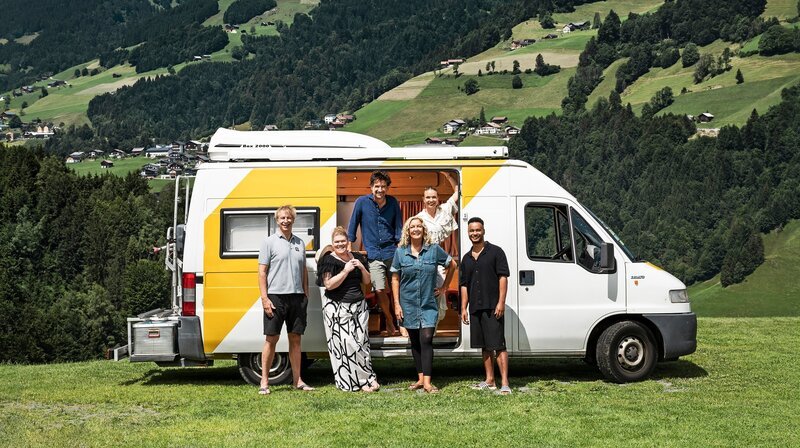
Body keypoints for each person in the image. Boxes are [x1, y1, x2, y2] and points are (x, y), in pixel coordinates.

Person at [391, 216, 456, 394]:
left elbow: (452, 264)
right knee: (415, 342)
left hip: (428, 303)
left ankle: (427, 382)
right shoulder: (400, 252)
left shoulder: (434, 250)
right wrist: (397, 304)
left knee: (426, 339)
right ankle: (420, 379)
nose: (416, 229)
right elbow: (395, 278)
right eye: (413, 227)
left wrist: (444, 287)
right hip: (408, 303)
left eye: (419, 226)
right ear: (408, 230)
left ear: (424, 230)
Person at [316, 226, 380, 392]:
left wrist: (361, 267)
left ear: (347, 241)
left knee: (362, 344)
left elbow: (367, 281)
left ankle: (367, 378)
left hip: (359, 306)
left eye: (343, 241)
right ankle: (353, 382)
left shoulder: (357, 257)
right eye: (337, 242)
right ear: (332, 243)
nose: (340, 244)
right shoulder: (329, 260)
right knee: (347, 345)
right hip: (338, 308)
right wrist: (345, 271)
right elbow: (328, 285)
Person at [257, 205, 313, 395]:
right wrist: (264, 298)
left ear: (293, 220)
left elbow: (304, 268)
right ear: (277, 220)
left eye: (288, 217)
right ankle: (264, 381)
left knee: (296, 339)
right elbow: (262, 272)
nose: (285, 221)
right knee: (271, 339)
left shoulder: (300, 243)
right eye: (282, 218)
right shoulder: (269, 242)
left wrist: (306, 292)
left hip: (297, 297)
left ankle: (297, 381)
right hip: (275, 297)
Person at [347, 170, 404, 336]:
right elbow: (353, 224)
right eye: (377, 186)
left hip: (392, 252)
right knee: (379, 290)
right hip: (373, 254)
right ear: (371, 187)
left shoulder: (393, 202)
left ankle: (401, 322)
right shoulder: (361, 202)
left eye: (383, 186)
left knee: (397, 290)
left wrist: (399, 244)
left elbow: (398, 225)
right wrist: (350, 245)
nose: (380, 189)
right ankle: (389, 321)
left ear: (387, 188)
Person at [459, 217, 512, 395]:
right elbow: (464, 285)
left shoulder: (496, 252)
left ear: (483, 230)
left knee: (498, 345)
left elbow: (503, 277)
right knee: (484, 346)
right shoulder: (466, 259)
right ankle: (490, 380)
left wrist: (501, 302)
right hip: (475, 307)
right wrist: (463, 308)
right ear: (468, 233)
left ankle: (504, 383)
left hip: (492, 306)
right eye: (471, 231)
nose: (474, 233)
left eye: (477, 230)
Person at [415, 172, 459, 323]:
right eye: (428, 197)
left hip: (439, 258)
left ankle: (434, 328)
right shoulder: (419, 218)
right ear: (423, 199)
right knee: (424, 297)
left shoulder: (444, 210)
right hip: (423, 260)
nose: (431, 200)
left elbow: (458, 192)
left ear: (437, 198)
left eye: (434, 197)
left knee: (439, 295)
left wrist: (448, 174)